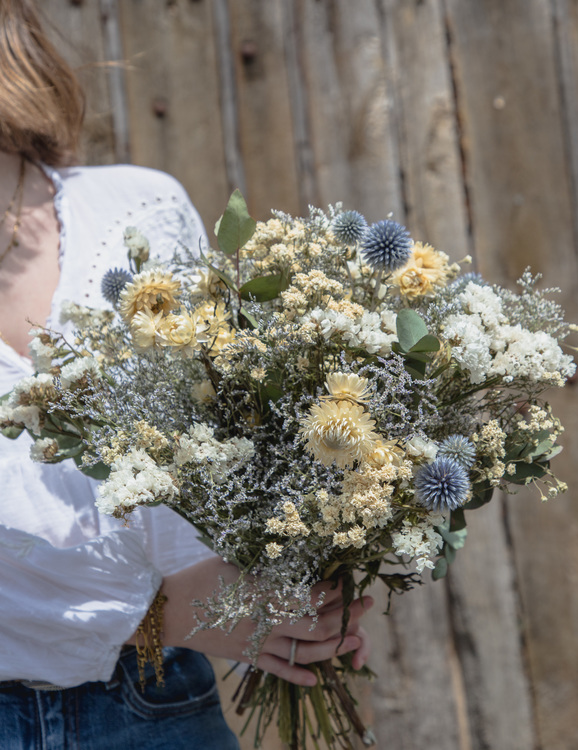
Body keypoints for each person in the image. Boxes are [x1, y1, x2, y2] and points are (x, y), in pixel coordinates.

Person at [0, 1, 372, 748]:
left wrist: (293, 576)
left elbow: (221, 431)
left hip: (160, 703)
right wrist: (167, 609)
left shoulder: (136, 207)